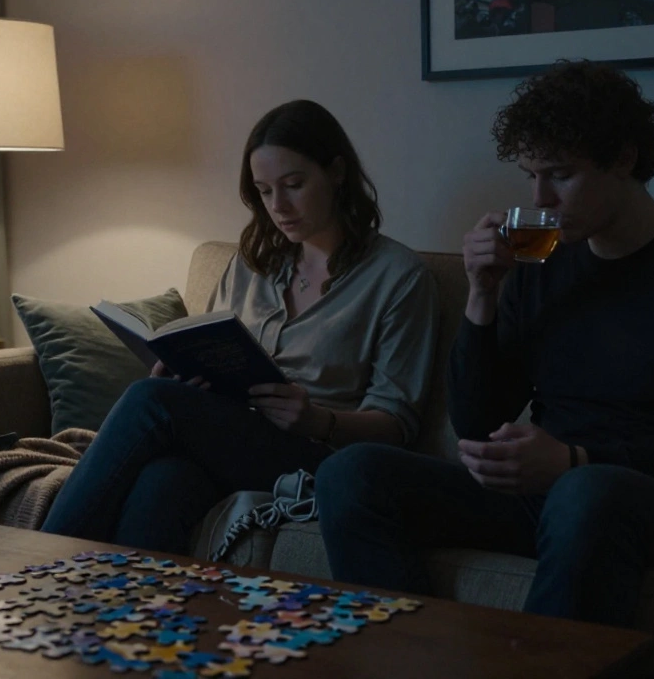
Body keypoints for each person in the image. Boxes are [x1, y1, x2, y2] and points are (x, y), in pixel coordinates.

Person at [315, 60, 654, 627]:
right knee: (351, 474)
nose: (541, 197)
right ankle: (414, 653)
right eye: (531, 176)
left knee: (587, 493)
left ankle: (537, 662)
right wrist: (482, 295)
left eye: (560, 174)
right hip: (547, 494)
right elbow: (477, 424)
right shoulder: (541, 263)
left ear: (624, 159)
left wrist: (574, 461)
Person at [41, 99, 440, 556]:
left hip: (319, 459)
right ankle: (112, 601)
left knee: (151, 400)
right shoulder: (252, 264)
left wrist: (319, 420)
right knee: (163, 480)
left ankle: (40, 557)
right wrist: (184, 375)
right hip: (233, 439)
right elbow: (211, 346)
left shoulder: (399, 277)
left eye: (294, 185)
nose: (279, 206)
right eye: (264, 192)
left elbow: (397, 426)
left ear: (336, 172)